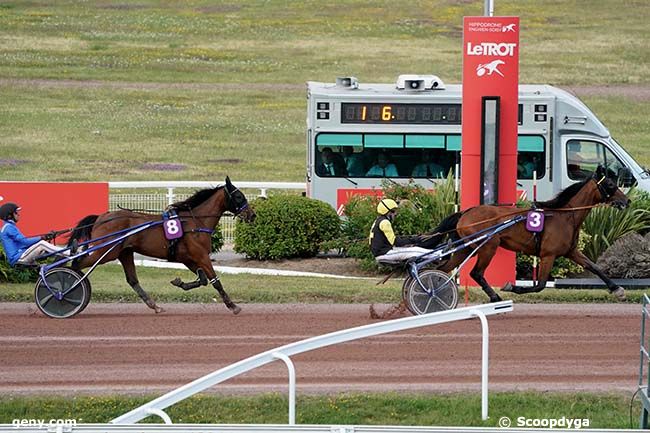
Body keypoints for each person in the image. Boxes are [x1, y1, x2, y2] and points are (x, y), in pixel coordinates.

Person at [0, 202, 69, 266]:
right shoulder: (9, 228)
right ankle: (67, 252)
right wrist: (42, 238)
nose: (18, 214)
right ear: (9, 216)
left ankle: (62, 257)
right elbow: (25, 242)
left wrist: (45, 237)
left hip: (20, 255)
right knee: (41, 244)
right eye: (16, 213)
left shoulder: (9, 227)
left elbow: (22, 243)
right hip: (18, 258)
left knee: (44, 252)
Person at [369, 199, 435, 264]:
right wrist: (414, 240)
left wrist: (411, 239)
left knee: (414, 249)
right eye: (393, 211)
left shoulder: (378, 220)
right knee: (415, 251)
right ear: (387, 212)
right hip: (384, 253)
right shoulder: (385, 222)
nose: (395, 214)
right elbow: (395, 242)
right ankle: (438, 255)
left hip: (384, 251)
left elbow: (392, 240)